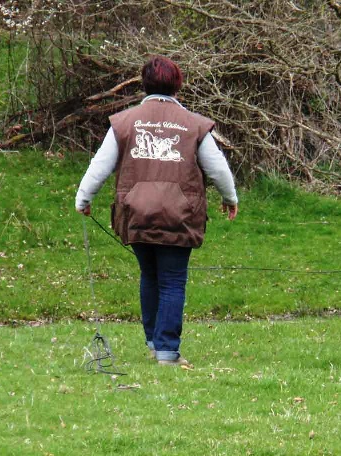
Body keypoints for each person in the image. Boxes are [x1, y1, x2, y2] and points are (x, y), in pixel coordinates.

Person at [76, 55, 239, 367]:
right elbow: (218, 169)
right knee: (172, 280)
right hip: (179, 215)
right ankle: (166, 351)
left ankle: (154, 341)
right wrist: (230, 198)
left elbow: (101, 164)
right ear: (177, 85)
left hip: (136, 213)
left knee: (150, 275)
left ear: (144, 83)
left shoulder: (124, 122)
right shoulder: (195, 124)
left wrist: (84, 198)